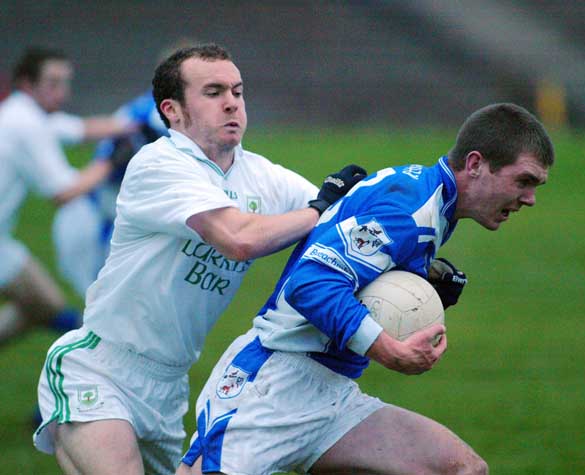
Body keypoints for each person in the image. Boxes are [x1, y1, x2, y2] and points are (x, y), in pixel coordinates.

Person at [33, 43, 365, 475]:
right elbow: (237, 238)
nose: (231, 102)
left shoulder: (264, 177)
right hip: (99, 368)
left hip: (171, 387)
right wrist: (318, 209)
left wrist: (417, 263)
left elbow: (349, 231)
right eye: (213, 92)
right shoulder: (158, 163)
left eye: (238, 91)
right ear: (171, 110)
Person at [178, 103, 554, 475]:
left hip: (332, 394)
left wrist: (421, 282)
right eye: (523, 181)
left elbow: (359, 271)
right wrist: (390, 351)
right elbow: (311, 283)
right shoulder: (410, 210)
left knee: (461, 469)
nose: (530, 198)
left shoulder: (431, 199)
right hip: (273, 385)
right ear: (475, 165)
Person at [0, 46, 136, 347]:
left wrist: (134, 123)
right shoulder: (26, 124)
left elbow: (81, 128)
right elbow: (63, 192)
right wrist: (110, 163)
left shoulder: (25, 114)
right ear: (27, 84)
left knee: (42, 306)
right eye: (53, 83)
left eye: (65, 82)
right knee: (48, 306)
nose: (62, 92)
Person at [52, 91, 167, 297]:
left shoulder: (145, 113)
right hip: (97, 219)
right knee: (104, 301)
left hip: (127, 219)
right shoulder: (147, 113)